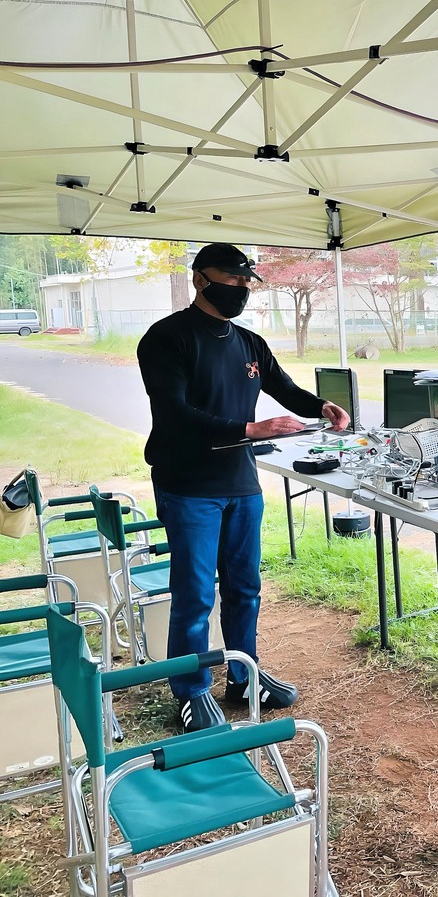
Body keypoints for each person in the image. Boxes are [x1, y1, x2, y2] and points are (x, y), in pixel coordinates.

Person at [137, 243, 349, 733]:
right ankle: (191, 691)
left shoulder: (250, 344)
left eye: (245, 281)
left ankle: (242, 674)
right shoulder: (166, 339)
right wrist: (250, 430)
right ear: (199, 279)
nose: (239, 289)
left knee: (245, 588)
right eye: (228, 279)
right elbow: (174, 412)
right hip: (189, 485)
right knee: (194, 594)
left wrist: (321, 406)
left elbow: (285, 389)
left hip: (241, 484)